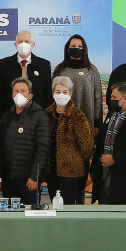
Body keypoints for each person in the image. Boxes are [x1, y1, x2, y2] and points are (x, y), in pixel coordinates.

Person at [0, 77, 51, 205]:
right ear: (12, 94)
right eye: (16, 91)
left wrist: (34, 177)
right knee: (10, 215)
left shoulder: (40, 116)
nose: (19, 94)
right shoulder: (8, 114)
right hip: (9, 178)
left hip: (28, 180)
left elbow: (43, 148)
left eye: (23, 91)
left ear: (30, 95)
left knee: (29, 215)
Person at [44, 76, 94, 205]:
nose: (61, 95)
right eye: (58, 91)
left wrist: (75, 160)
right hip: (51, 171)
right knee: (54, 206)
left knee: (68, 207)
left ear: (70, 94)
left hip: (72, 172)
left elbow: (87, 146)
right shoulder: (46, 115)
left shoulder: (77, 115)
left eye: (65, 92)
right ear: (52, 93)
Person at [51, 34, 104, 134]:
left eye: (80, 46)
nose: (76, 49)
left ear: (84, 49)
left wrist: (97, 122)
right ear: (68, 49)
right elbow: (52, 94)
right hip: (63, 119)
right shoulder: (60, 69)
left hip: (87, 119)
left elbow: (97, 97)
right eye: (73, 46)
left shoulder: (91, 70)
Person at [0, 30, 51, 122]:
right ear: (15, 45)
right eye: (20, 42)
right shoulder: (4, 64)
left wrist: (47, 119)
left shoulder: (44, 65)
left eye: (26, 41)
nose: (23, 44)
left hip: (37, 117)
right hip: (10, 116)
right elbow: (0, 94)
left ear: (33, 45)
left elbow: (48, 95)